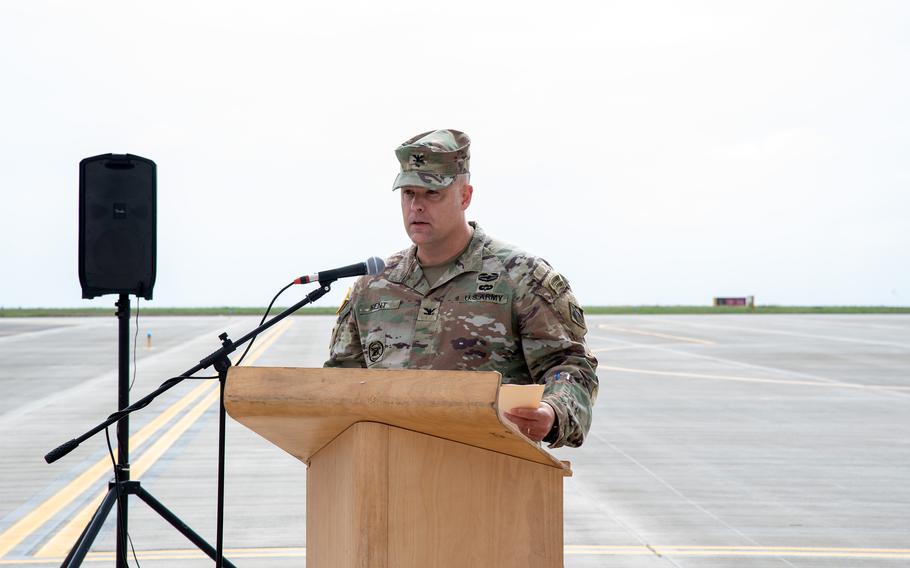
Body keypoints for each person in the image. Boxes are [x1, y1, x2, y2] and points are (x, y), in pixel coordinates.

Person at [324, 129, 598, 448]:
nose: (417, 206)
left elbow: (571, 364)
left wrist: (554, 411)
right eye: (409, 193)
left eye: (432, 193)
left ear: (465, 196)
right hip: (389, 476)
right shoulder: (374, 285)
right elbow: (339, 383)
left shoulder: (520, 276)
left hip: (492, 472)